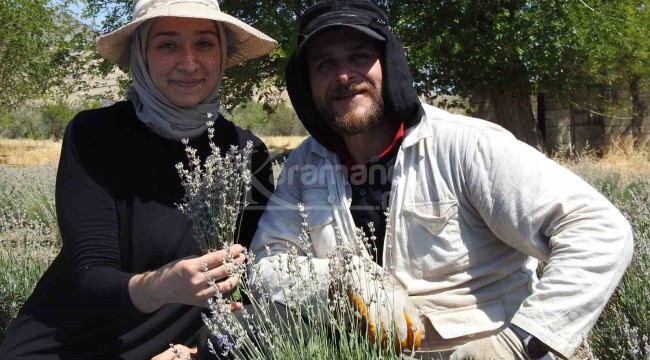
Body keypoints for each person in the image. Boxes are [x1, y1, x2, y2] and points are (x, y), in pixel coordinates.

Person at [249, 1, 634, 359]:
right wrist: (340, 278)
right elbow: (267, 264)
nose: (344, 75)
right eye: (324, 64)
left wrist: (520, 343)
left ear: (389, 62)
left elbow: (598, 230)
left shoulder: (467, 145)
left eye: (359, 56)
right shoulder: (304, 165)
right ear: (307, 84)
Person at [0, 0, 277, 359]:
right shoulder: (95, 135)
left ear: (223, 52)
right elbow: (90, 274)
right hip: (71, 344)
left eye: (205, 43)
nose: (189, 62)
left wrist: (197, 351)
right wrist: (163, 284)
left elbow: (256, 276)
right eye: (167, 44)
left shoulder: (247, 152)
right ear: (139, 54)